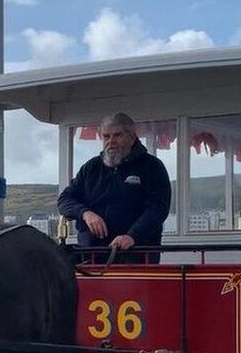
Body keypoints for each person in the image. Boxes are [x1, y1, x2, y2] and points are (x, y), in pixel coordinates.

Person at [57, 112, 171, 263]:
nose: (111, 141)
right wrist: (85, 213)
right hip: (91, 255)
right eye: (106, 136)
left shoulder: (152, 167)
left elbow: (158, 208)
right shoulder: (91, 168)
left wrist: (132, 236)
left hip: (136, 255)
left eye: (117, 135)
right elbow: (64, 200)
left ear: (132, 137)